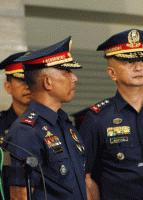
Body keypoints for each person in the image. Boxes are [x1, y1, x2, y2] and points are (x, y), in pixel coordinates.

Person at [80, 29, 143, 200]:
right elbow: (87, 178)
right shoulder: (97, 118)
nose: (138, 67)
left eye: (141, 60)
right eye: (128, 62)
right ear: (112, 73)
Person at [5, 36, 92, 200]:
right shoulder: (25, 132)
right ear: (47, 82)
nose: (74, 78)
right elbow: (19, 196)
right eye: (66, 72)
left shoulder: (65, 125)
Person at [0, 51, 31, 200]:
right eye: (21, 80)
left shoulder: (54, 123)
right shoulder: (0, 125)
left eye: (31, 80)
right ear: (8, 87)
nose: (27, 86)